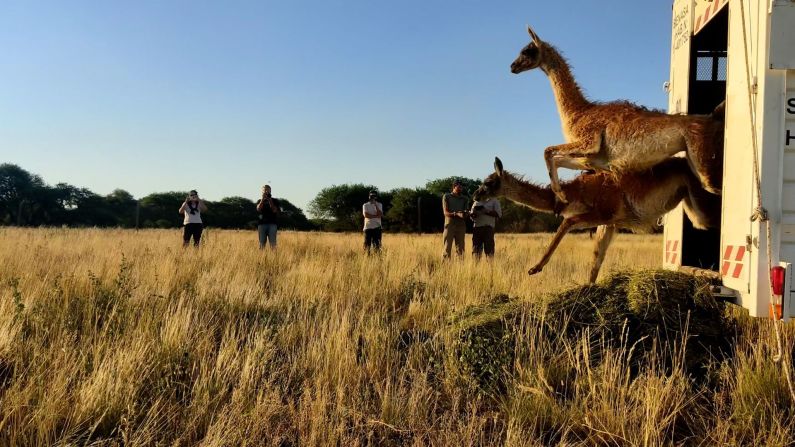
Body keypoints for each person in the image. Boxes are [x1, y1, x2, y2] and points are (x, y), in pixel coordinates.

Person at [442, 180, 469, 258]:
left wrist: (466, 213)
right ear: (454, 186)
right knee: (447, 248)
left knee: (460, 249)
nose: (461, 188)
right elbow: (445, 212)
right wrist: (456, 214)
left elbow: (466, 211)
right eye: (459, 186)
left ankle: (459, 269)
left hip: (461, 225)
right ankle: (446, 268)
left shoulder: (465, 199)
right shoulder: (446, 196)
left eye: (462, 187)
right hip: (449, 225)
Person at [256, 185, 281, 249]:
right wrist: (262, 200)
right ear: (262, 192)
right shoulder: (259, 201)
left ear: (270, 191)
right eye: (265, 190)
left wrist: (270, 200)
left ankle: (274, 258)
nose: (266, 192)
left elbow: (274, 210)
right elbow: (258, 209)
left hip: (272, 224)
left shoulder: (275, 201)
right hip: (261, 224)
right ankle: (261, 257)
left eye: (268, 190)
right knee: (261, 244)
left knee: (273, 244)